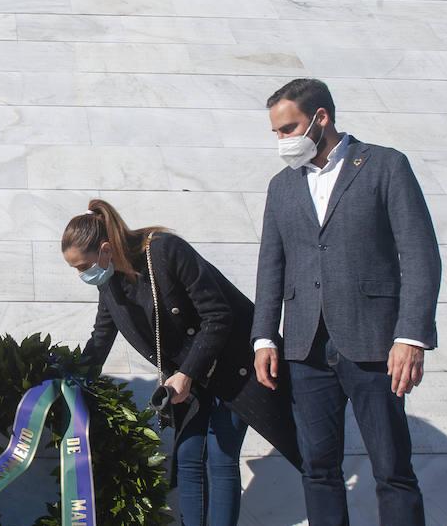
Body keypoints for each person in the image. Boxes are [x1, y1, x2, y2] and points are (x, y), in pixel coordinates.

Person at [253, 78, 441, 526]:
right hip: (304, 348)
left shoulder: (385, 166)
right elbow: (270, 267)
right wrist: (263, 336)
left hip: (376, 343)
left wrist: (410, 335)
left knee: (392, 469)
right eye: (277, 132)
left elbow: (419, 254)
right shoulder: (281, 187)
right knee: (318, 470)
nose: (283, 140)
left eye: (289, 128)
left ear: (321, 118)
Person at [63, 199, 300, 526]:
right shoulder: (110, 283)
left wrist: (187, 373)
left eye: (81, 265)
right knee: (188, 456)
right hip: (189, 377)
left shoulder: (163, 250)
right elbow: (101, 337)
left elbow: (218, 314)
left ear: (105, 248)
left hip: (233, 365)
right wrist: (68, 381)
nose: (81, 274)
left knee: (220, 458)